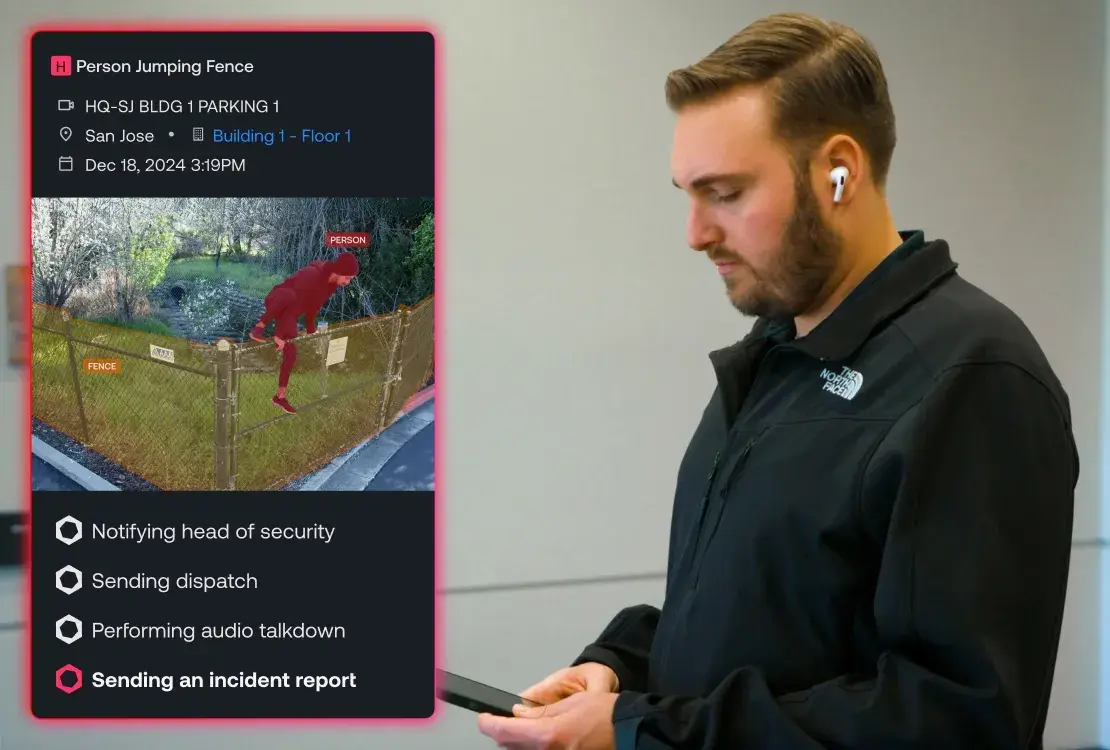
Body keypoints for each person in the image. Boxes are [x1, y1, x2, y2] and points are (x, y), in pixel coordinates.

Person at [478, 11, 1077, 750]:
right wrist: (619, 668)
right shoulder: (775, 355)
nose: (695, 232)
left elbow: (957, 721)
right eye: (687, 194)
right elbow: (756, 620)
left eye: (724, 193)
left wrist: (644, 732)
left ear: (839, 173)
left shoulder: (972, 378)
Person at [248, 251, 359, 414]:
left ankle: (279, 397)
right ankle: (258, 327)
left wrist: (310, 330)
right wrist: (279, 334)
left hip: (291, 312)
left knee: (291, 352)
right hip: (278, 300)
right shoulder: (312, 274)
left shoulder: (330, 285)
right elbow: (292, 300)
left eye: (350, 279)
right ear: (339, 271)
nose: (348, 282)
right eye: (347, 278)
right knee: (290, 295)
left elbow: (314, 306)